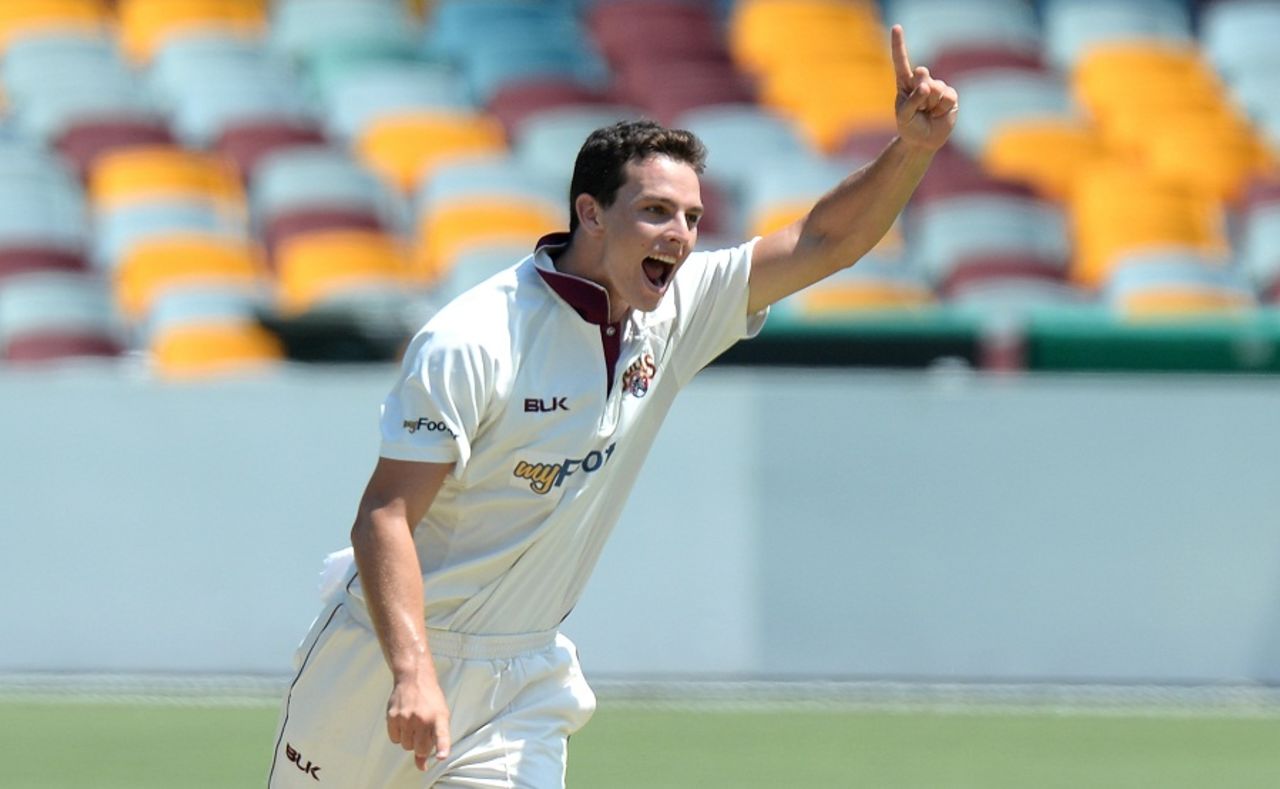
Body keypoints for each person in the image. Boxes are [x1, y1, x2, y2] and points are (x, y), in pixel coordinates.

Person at [268, 24, 957, 789]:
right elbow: (385, 514)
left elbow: (827, 239)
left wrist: (913, 150)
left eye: (693, 218)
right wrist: (413, 672)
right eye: (658, 212)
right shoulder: (475, 337)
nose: (683, 237)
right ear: (591, 214)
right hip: (379, 661)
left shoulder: (680, 306)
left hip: (518, 682)